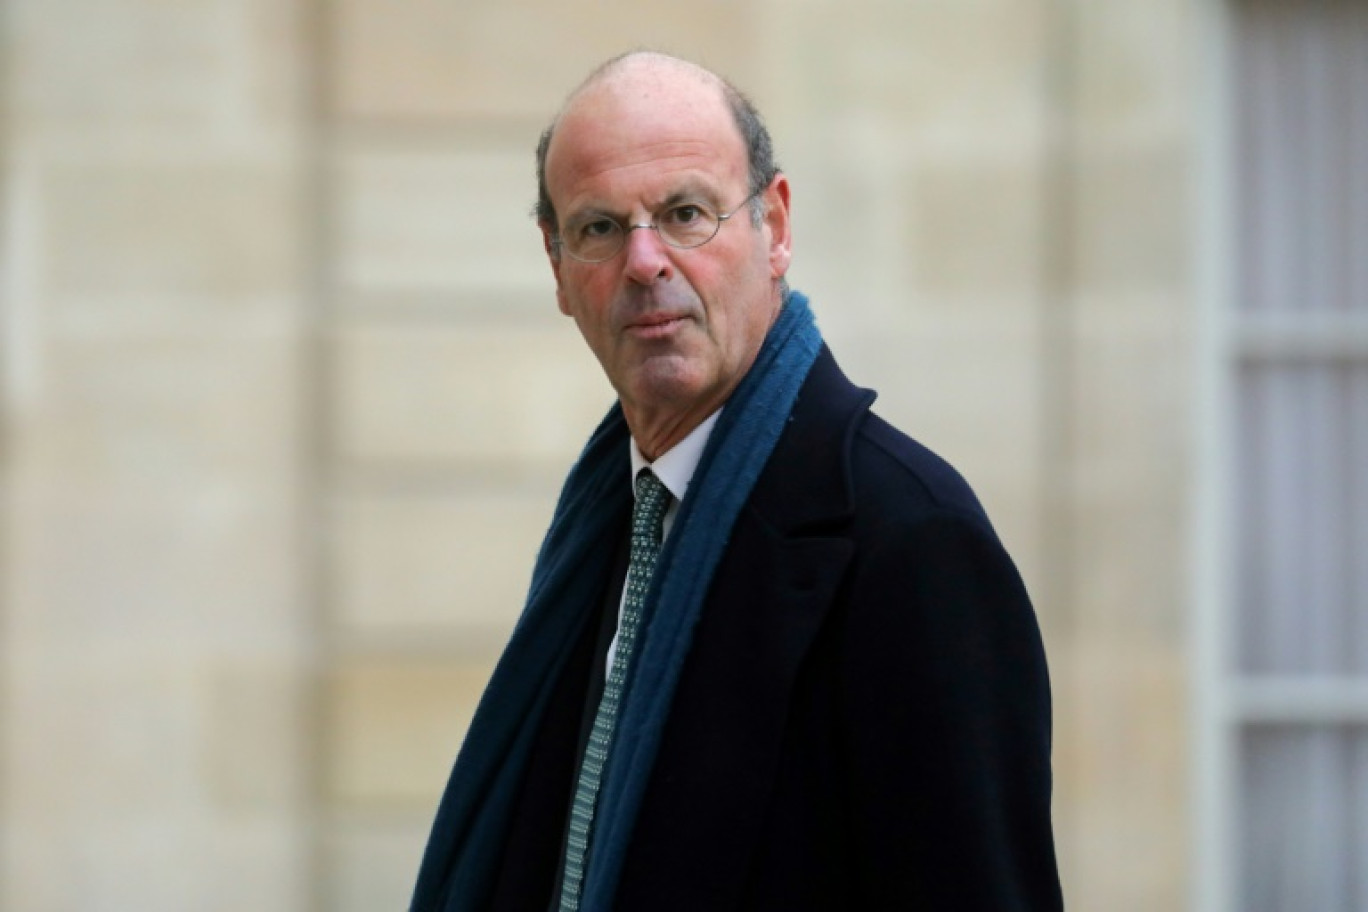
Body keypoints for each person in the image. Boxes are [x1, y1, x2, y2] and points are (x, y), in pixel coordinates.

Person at [410, 51, 1062, 912]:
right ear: (557, 266)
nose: (645, 263)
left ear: (776, 227)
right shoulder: (610, 524)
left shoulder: (912, 544)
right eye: (601, 228)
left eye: (685, 214)